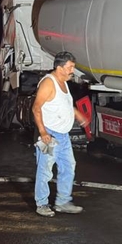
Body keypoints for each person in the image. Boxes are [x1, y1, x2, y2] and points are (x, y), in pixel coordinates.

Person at [31, 51, 91, 216]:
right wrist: (43, 132)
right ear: (59, 68)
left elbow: (63, 105)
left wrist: (78, 115)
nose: (72, 70)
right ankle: (42, 204)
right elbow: (36, 108)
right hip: (49, 135)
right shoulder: (48, 83)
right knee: (45, 170)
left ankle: (63, 202)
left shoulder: (63, 82)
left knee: (68, 167)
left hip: (63, 136)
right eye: (70, 67)